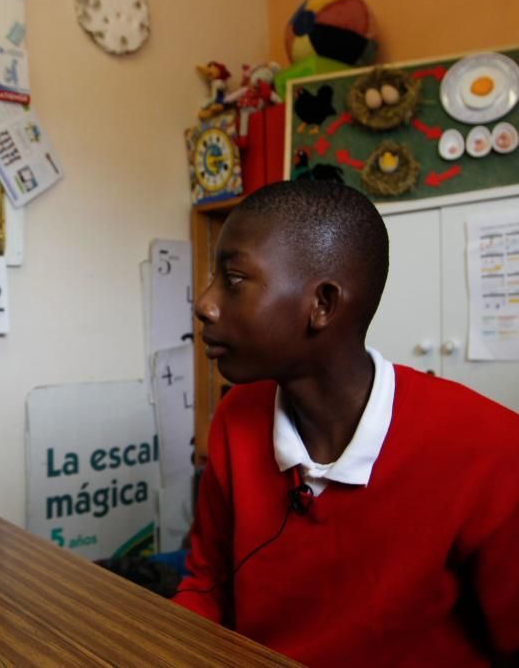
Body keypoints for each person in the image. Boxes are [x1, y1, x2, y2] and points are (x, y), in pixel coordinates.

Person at [172, 181, 519, 665]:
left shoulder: (493, 450)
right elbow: (205, 586)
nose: (205, 304)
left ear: (323, 305)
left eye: (232, 279)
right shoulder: (236, 416)